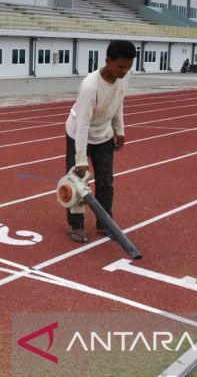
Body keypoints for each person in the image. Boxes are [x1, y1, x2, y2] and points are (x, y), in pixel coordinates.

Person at [64, 40, 136, 243]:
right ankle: (76, 225)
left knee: (106, 181)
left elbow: (118, 100)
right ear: (107, 61)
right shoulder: (90, 86)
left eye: (129, 66)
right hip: (78, 134)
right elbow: (82, 126)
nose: (124, 71)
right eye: (120, 66)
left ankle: (104, 223)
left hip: (103, 134)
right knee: (78, 182)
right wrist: (80, 160)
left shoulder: (125, 75)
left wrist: (119, 129)